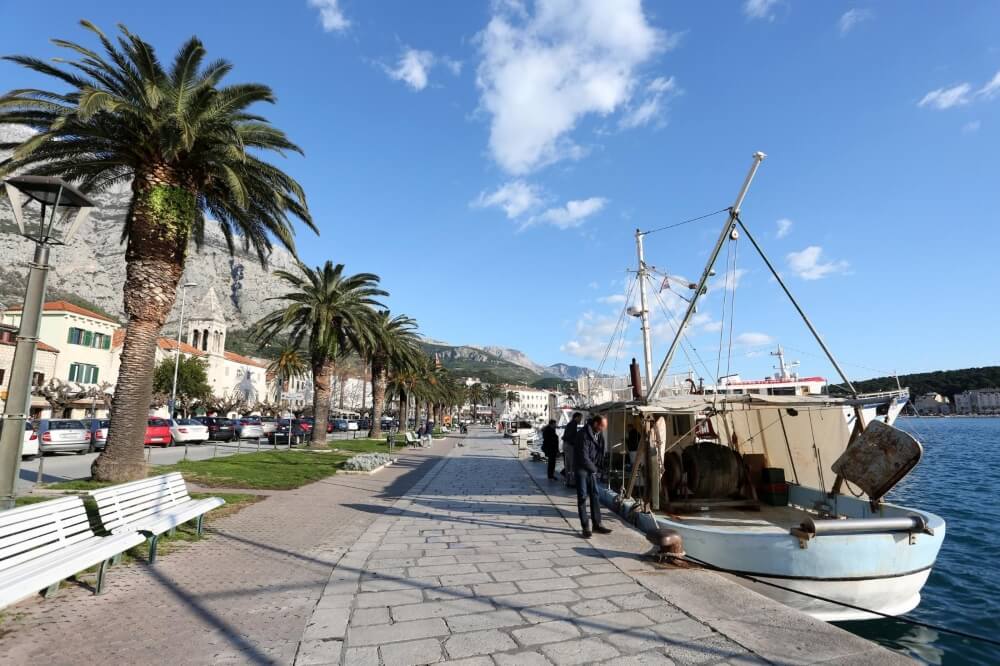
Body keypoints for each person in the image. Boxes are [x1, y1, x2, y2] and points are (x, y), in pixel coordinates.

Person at [574, 415, 612, 538]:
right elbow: (583, 457)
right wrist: (595, 469)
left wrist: (600, 467)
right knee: (582, 497)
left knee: (595, 496)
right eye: (601, 426)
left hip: (592, 470)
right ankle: (585, 527)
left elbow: (600, 453)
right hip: (582, 469)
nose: (602, 429)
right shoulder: (583, 434)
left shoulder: (599, 435)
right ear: (595, 423)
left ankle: (597, 524)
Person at [561, 412, 582, 487]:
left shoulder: (570, 424)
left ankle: (568, 481)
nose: (581, 420)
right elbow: (570, 436)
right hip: (570, 446)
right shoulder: (573, 424)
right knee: (571, 464)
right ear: (576, 417)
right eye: (580, 418)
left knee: (568, 464)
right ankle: (571, 482)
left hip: (566, 445)